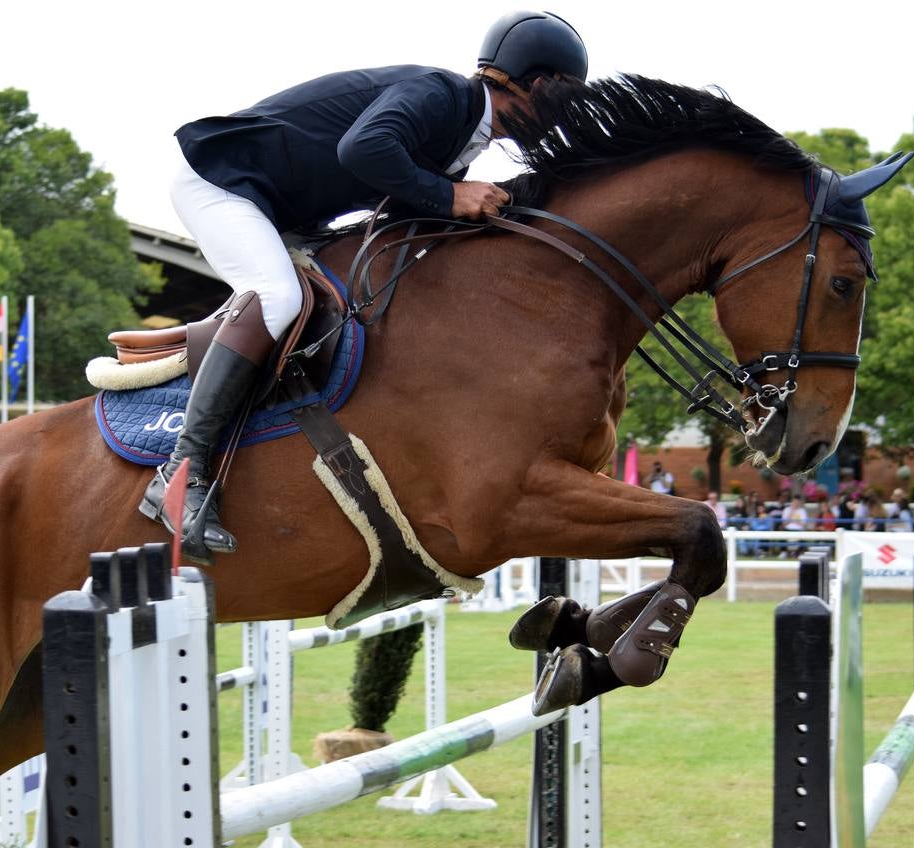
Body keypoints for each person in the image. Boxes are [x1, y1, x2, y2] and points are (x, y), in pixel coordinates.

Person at [137, 12, 589, 554]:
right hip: (222, 184)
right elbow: (363, 149)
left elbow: (403, 209)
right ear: (538, 85)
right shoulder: (442, 95)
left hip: (284, 211)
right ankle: (180, 474)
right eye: (566, 97)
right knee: (277, 298)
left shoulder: (463, 131)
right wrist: (451, 196)